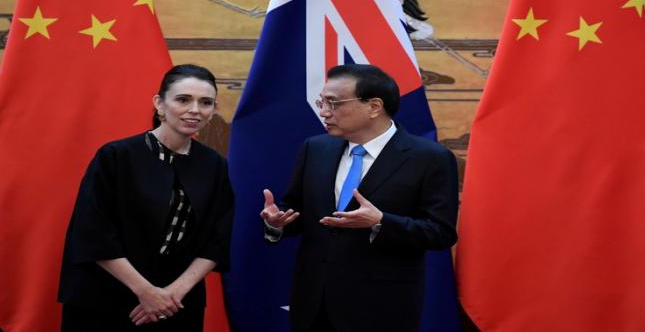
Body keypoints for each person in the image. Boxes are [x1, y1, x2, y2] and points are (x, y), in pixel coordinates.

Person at [260, 64, 459, 332]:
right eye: (322, 102)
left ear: (374, 106)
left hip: (380, 307)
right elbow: (297, 212)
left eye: (333, 103)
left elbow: (440, 233)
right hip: (313, 304)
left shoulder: (429, 158)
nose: (323, 112)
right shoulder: (316, 148)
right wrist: (277, 224)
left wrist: (380, 222)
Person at [58, 64, 234, 331]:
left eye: (206, 102)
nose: (195, 110)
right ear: (159, 104)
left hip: (178, 303)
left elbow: (217, 240)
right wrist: (146, 292)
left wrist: (172, 295)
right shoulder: (116, 156)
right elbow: (93, 233)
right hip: (107, 298)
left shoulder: (214, 165)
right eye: (183, 99)